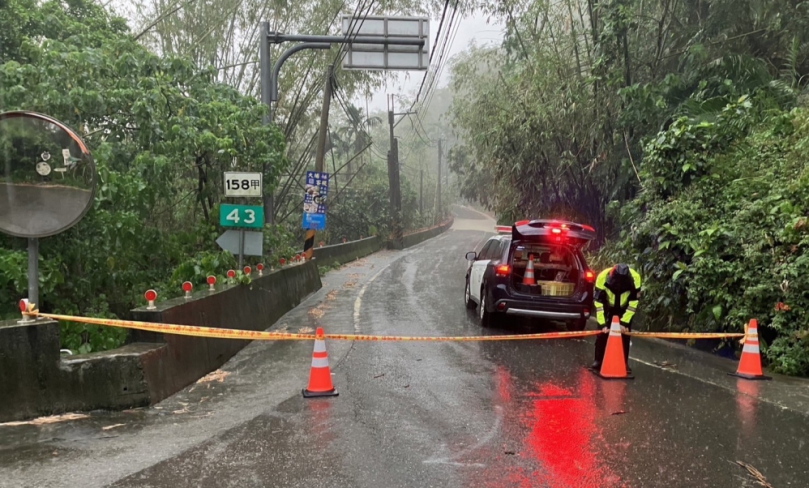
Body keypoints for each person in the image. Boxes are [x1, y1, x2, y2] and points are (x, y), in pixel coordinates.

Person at [591, 263, 642, 372]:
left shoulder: (635, 278)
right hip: (607, 305)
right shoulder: (602, 277)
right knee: (602, 334)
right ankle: (598, 361)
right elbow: (598, 304)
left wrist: (624, 322)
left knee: (625, 335)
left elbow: (633, 304)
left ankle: (624, 363)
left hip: (625, 307)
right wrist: (602, 324)